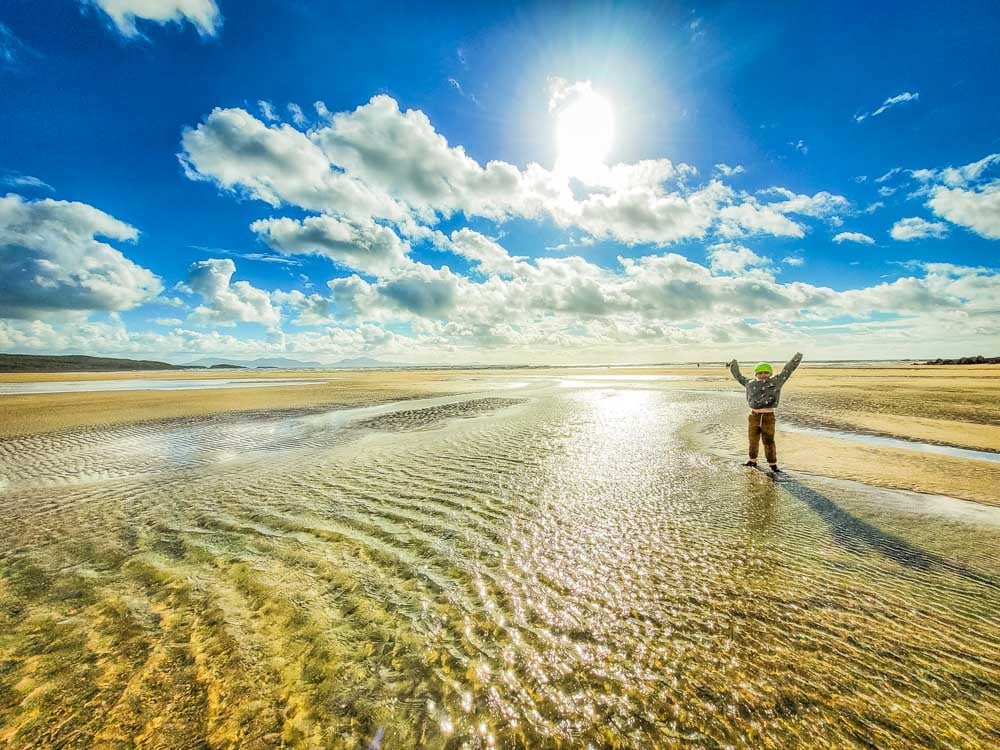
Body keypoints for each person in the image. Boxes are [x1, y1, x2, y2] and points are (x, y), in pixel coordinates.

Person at [726, 353, 803, 474]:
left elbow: (787, 371)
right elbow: (738, 376)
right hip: (754, 416)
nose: (763, 375)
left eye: (766, 372)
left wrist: (797, 357)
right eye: (760, 373)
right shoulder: (750, 383)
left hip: (768, 417)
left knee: (768, 440)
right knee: (753, 439)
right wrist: (733, 364)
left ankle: (773, 464)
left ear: (770, 373)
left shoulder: (776, 382)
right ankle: (752, 460)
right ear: (756, 374)